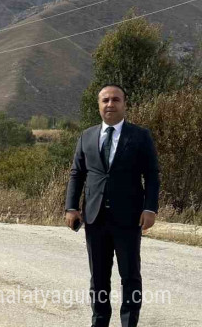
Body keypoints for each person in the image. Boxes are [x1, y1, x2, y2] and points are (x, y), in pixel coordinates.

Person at [65, 84, 160, 327]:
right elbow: (77, 174)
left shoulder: (139, 136)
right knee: (98, 278)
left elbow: (151, 175)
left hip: (129, 218)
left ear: (124, 104)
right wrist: (71, 207)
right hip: (94, 218)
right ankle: (99, 322)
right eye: (105, 100)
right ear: (99, 105)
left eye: (115, 99)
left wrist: (150, 208)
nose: (110, 104)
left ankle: (129, 323)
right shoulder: (87, 136)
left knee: (130, 277)